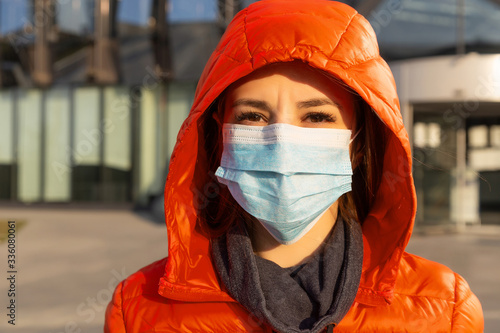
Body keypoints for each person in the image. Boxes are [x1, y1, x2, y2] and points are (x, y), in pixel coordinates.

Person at [104, 0, 484, 331]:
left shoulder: (441, 309)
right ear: (219, 138)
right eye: (252, 116)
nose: (280, 138)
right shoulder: (139, 309)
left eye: (317, 117)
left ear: (358, 145)